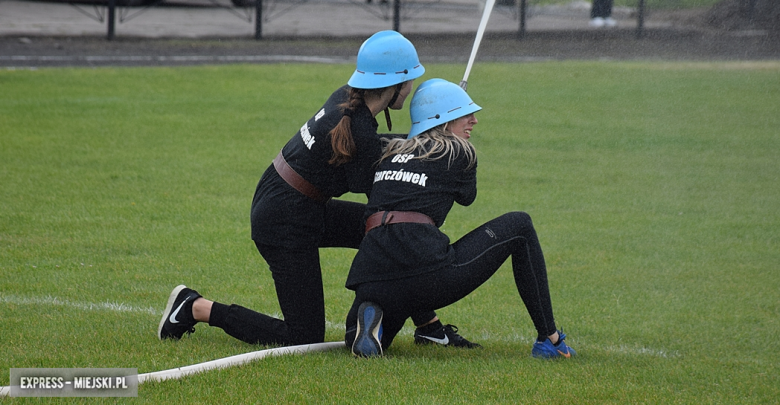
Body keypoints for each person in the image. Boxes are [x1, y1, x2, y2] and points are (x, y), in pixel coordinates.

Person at [157, 31, 478, 349]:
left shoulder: (349, 99)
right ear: (397, 84)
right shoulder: (360, 133)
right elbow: (380, 186)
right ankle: (195, 307)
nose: (410, 90)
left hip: (289, 201)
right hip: (284, 220)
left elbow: (376, 152)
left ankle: (429, 326)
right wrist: (438, 143)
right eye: (410, 82)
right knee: (304, 335)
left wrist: (428, 137)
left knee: (387, 230)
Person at [345, 79, 576, 359]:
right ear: (442, 120)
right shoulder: (459, 152)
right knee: (520, 225)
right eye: (464, 114)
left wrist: (437, 119)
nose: (474, 121)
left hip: (371, 275)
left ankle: (373, 319)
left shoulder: (388, 150)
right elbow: (467, 197)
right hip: (425, 273)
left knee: (357, 336)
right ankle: (549, 340)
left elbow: (411, 143)